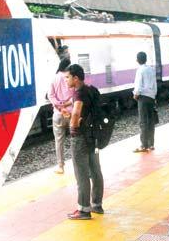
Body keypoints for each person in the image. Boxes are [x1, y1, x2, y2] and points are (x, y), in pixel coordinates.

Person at [65, 64, 104, 220]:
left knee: (81, 174)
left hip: (80, 139)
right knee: (95, 170)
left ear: (76, 78)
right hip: (94, 137)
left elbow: (76, 113)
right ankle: (97, 204)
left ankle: (83, 209)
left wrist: (72, 126)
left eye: (67, 77)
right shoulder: (91, 90)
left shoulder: (79, 93)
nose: (66, 80)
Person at [48, 58, 75, 174]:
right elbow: (74, 95)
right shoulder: (70, 77)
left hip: (58, 113)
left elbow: (50, 95)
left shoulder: (54, 78)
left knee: (59, 141)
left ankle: (61, 166)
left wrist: (59, 106)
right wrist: (66, 104)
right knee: (75, 138)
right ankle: (77, 163)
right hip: (70, 112)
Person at [133, 52, 157, 153]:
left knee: (143, 122)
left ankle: (143, 145)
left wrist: (135, 94)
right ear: (146, 59)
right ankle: (151, 144)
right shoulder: (151, 69)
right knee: (151, 121)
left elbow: (138, 85)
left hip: (143, 97)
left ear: (137, 60)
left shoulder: (140, 70)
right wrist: (154, 95)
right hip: (151, 97)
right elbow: (155, 84)